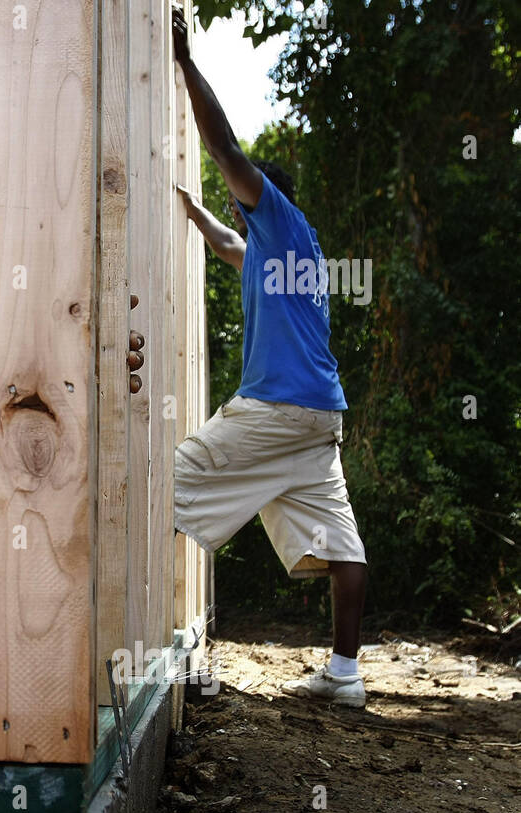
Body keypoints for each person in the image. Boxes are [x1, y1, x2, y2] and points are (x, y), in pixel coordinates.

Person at [171, 11, 368, 708]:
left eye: (242, 197)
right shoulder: (285, 253)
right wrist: (195, 213)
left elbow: (224, 146)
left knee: (171, 481)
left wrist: (187, 66)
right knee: (344, 548)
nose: (237, 202)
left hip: (280, 408)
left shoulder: (281, 218)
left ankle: (128, 634)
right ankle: (345, 674)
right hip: (320, 419)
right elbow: (231, 246)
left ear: (267, 196)